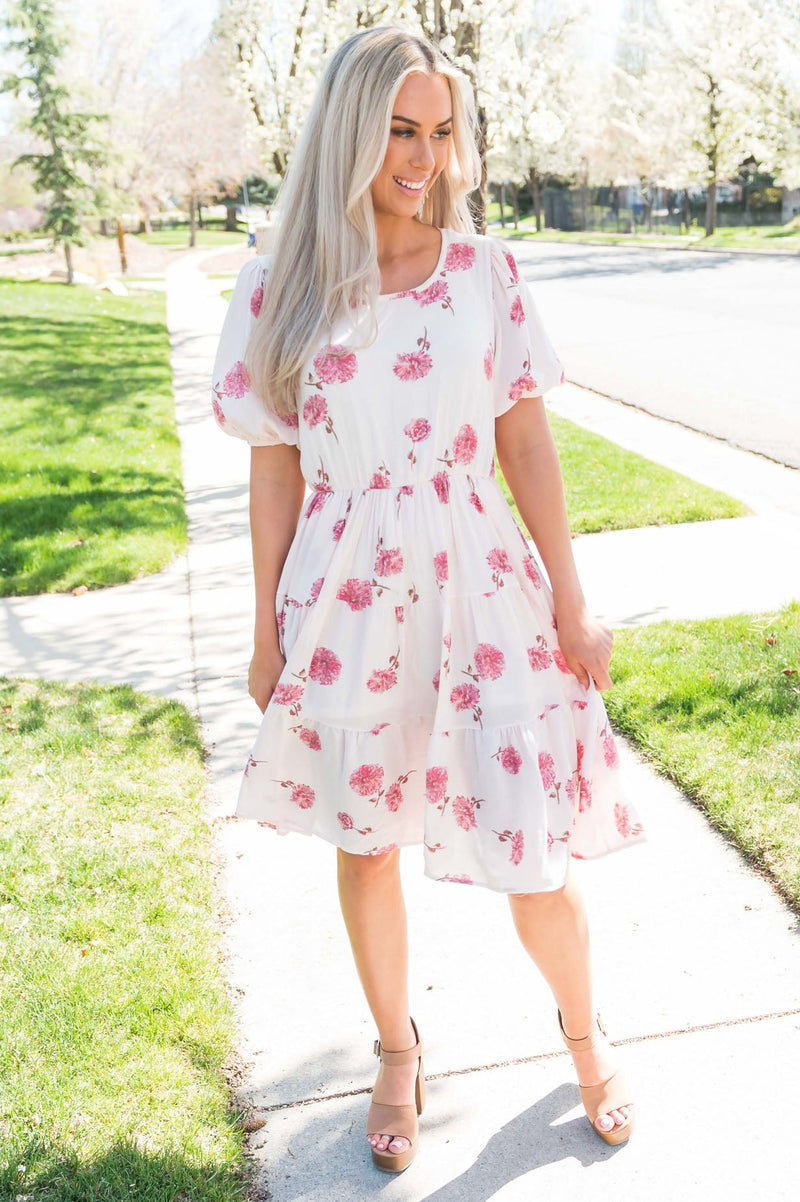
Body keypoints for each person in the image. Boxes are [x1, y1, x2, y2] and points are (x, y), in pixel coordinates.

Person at [211, 24, 646, 1175]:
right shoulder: (279, 285)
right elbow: (273, 468)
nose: (423, 157)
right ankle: (396, 1051)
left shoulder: (481, 272)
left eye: (440, 132)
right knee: (365, 844)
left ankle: (585, 1034)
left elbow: (525, 442)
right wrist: (264, 629)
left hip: (479, 584)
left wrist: (571, 602)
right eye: (400, 130)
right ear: (350, 131)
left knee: (529, 839)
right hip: (343, 596)